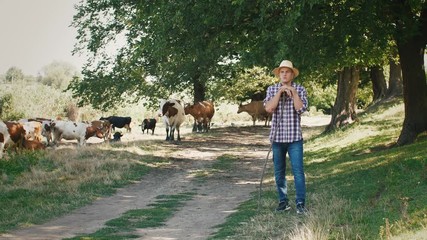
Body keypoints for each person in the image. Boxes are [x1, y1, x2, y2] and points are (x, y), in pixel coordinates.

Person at [263, 60, 308, 214]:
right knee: (279, 172)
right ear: (279, 74)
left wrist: (293, 93)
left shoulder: (300, 89)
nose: (284, 74)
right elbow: (269, 108)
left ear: (292, 75)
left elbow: (300, 109)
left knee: (298, 171)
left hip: (295, 138)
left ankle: (300, 203)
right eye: (281, 72)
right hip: (277, 138)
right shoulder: (271, 89)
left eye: (287, 72)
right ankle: (283, 201)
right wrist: (280, 92)